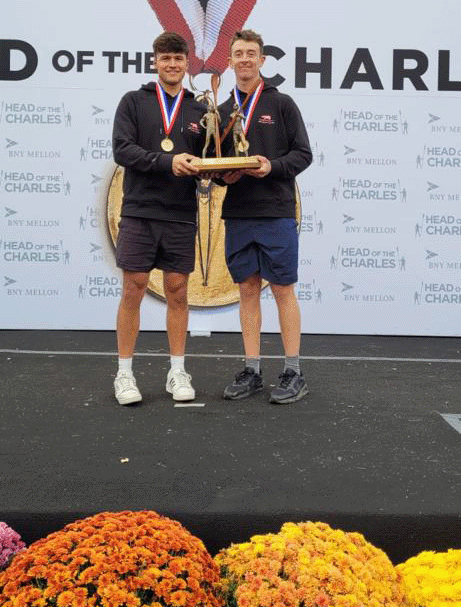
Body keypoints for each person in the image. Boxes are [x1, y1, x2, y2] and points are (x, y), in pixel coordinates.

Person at [219, 30, 313, 404]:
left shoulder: (282, 103)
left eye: (251, 53)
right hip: (239, 212)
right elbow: (215, 160)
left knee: (283, 290)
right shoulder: (222, 112)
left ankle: (293, 371)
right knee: (246, 290)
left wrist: (271, 166)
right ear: (229, 61)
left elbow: (303, 155)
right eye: (238, 53)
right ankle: (252, 370)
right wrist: (219, 175)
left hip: (275, 212)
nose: (244, 59)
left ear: (261, 60)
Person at [112, 32, 205, 405]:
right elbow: (123, 150)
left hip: (181, 213)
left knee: (178, 292)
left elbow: (208, 158)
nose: (172, 65)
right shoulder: (134, 102)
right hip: (139, 210)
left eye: (178, 59)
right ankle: (124, 373)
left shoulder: (200, 109)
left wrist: (210, 170)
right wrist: (169, 161)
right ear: (155, 62)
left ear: (187, 64)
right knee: (133, 287)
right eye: (165, 58)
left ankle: (177, 371)